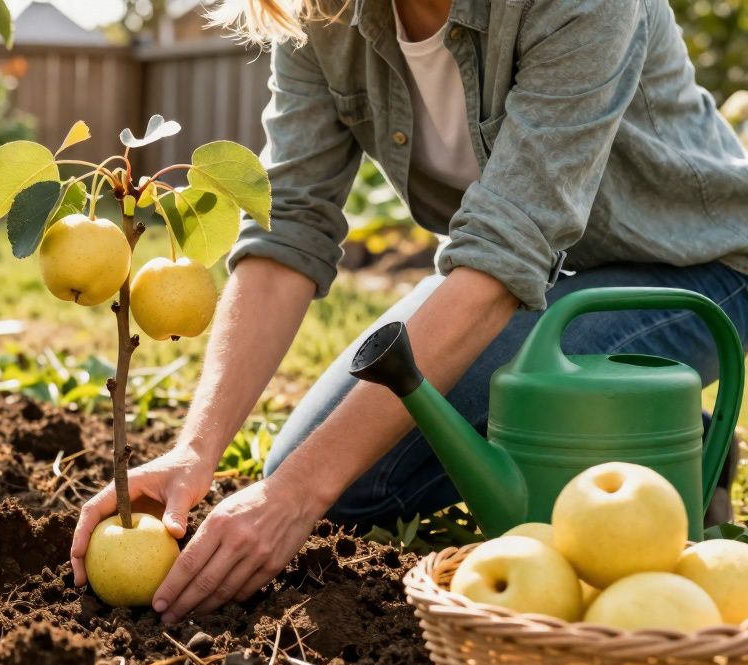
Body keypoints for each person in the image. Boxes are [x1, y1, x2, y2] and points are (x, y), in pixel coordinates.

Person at [70, 0, 748, 624]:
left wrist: (298, 495)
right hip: (529, 277)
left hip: (691, 268)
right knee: (335, 478)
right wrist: (196, 451)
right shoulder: (325, 14)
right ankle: (653, 426)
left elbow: (502, 256)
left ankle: (654, 434)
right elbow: (289, 228)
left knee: (316, 481)